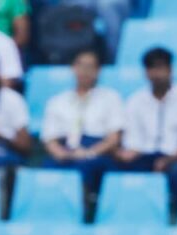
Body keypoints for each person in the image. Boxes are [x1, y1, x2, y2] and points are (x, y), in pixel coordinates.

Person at [116, 47, 177, 213]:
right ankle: (132, 214)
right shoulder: (135, 101)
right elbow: (133, 140)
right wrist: (126, 155)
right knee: (116, 168)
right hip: (145, 155)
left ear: (170, 69)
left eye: (160, 67)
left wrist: (168, 160)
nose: (156, 73)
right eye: (151, 68)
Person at [41, 48, 123, 194]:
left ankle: (82, 206)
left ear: (98, 71)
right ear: (73, 68)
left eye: (90, 67)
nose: (84, 71)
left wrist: (88, 153)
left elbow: (113, 139)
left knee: (84, 168)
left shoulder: (111, 98)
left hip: (97, 151)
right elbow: (50, 139)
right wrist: (62, 154)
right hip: (67, 149)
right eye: (80, 65)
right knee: (48, 167)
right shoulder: (57, 101)